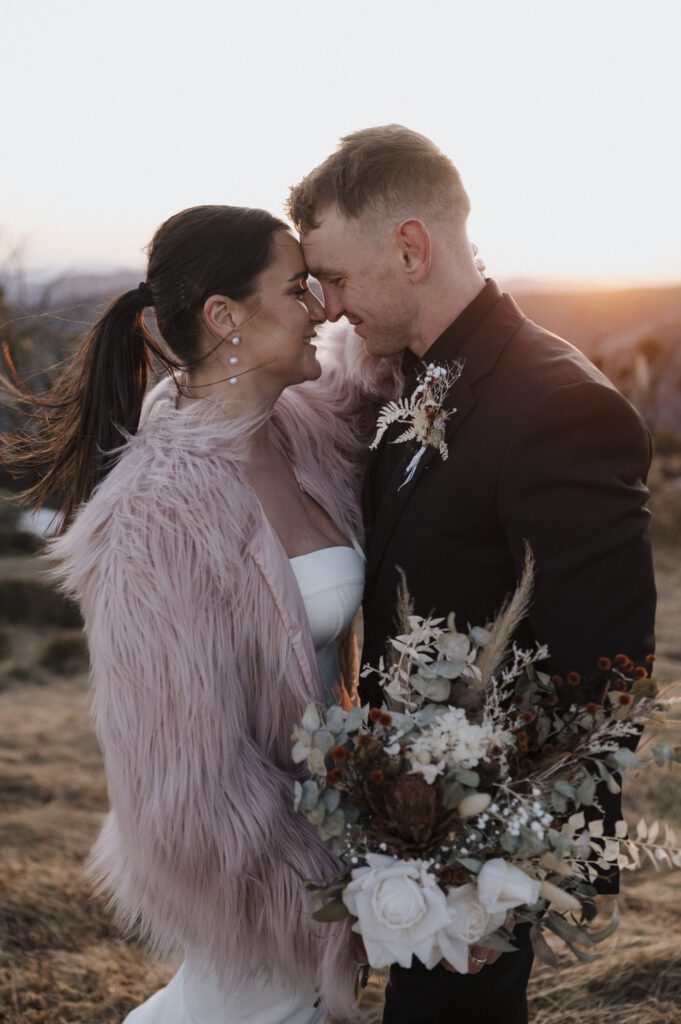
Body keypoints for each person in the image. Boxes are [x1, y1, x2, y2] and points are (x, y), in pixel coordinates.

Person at [287, 125, 657, 1024]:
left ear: (410, 247)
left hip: (481, 851)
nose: (327, 306)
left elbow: (601, 661)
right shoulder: (411, 382)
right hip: (408, 824)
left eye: (333, 276)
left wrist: (521, 870)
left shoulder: (558, 406)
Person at [1, 205, 396, 1024]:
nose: (321, 308)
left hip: (332, 860)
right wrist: (346, 901)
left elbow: (387, 390)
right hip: (265, 908)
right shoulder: (154, 519)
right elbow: (186, 791)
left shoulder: (299, 428)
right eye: (297, 288)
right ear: (225, 317)